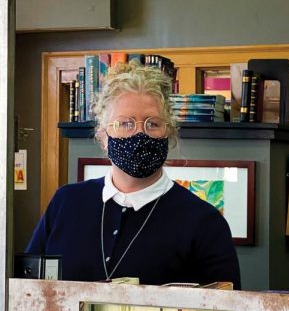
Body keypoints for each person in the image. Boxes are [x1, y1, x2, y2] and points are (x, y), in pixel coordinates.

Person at [26, 61, 241, 288]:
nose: (140, 134)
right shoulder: (66, 202)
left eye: (153, 124)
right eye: (125, 123)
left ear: (168, 132)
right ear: (103, 135)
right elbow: (27, 290)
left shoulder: (204, 222)